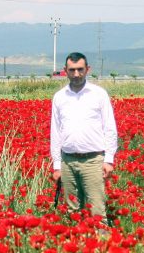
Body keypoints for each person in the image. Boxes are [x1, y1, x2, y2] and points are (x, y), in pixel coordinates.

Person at [50, 52, 118, 221]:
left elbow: (109, 127)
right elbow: (56, 132)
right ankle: (76, 236)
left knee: (97, 211)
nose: (76, 74)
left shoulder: (99, 94)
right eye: (72, 70)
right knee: (72, 211)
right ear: (65, 70)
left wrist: (109, 159)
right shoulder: (59, 97)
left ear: (88, 69)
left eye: (80, 69)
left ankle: (102, 238)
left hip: (93, 161)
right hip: (67, 161)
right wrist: (57, 165)